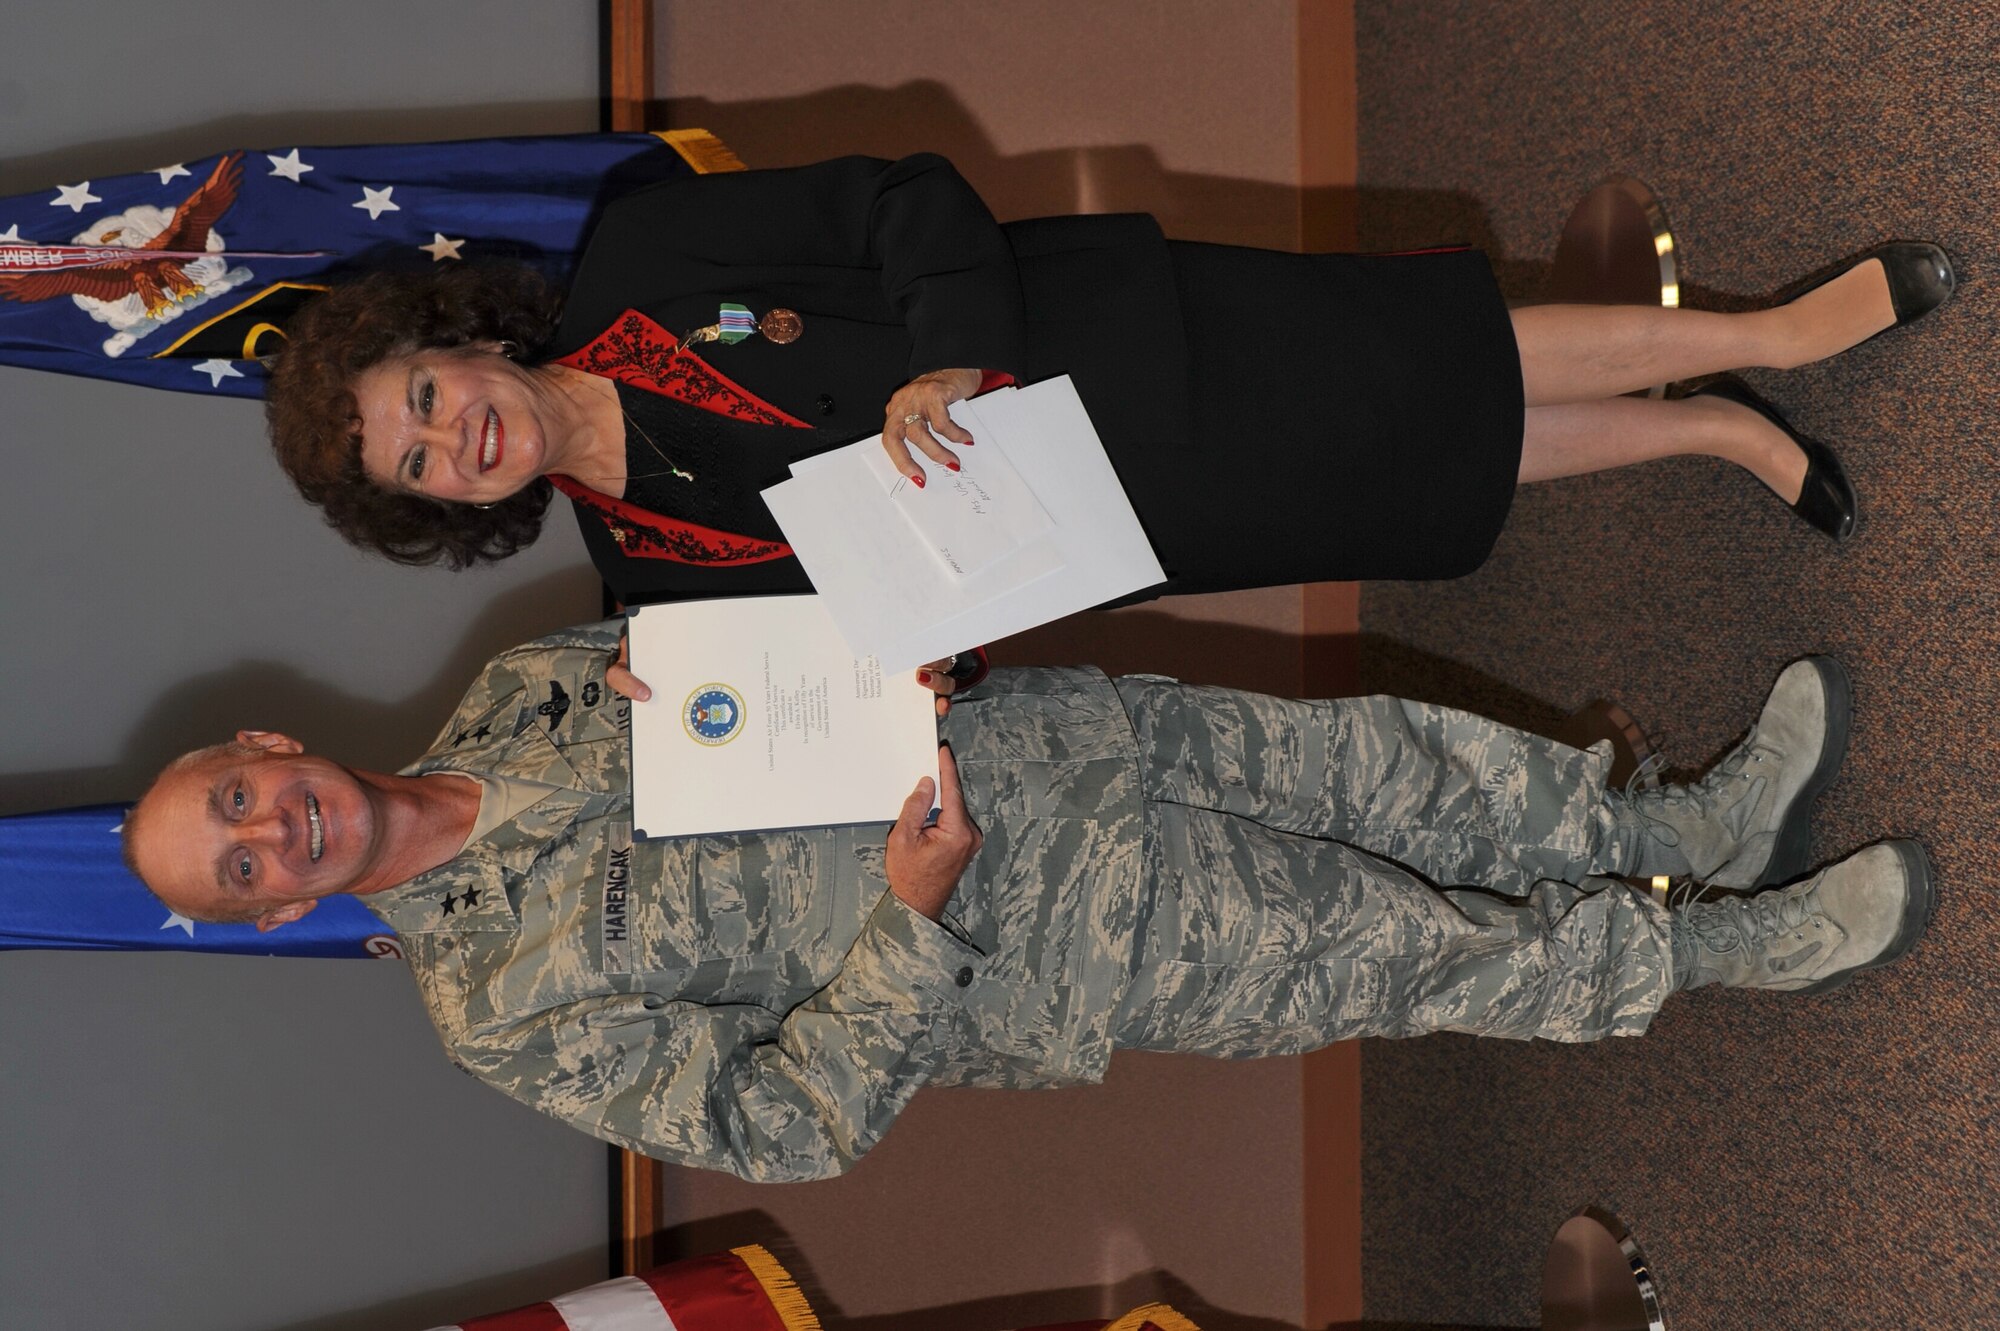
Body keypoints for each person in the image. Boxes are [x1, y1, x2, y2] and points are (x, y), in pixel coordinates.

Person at [123, 626, 1933, 1183]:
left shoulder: (522, 687)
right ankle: (1730, 946)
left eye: (240, 801)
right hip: (1060, 938)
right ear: (273, 918)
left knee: (1407, 765)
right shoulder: (495, 1008)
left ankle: (1692, 822)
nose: (274, 833)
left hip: (1071, 743)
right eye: (244, 868)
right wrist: (908, 921)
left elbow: (775, 654)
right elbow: (777, 1127)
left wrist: (871, 644)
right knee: (1421, 944)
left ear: (265, 745)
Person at [266, 155, 1954, 617]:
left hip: (1120, 345)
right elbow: (890, 649)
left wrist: (947, 354)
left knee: (1446, 360)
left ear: (459, 339)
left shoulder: (644, 250)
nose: (452, 439)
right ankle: (1712, 438)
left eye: (422, 397)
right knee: (1426, 469)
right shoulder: (651, 580)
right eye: (420, 468)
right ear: (448, 510)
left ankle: (1776, 337)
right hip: (1126, 522)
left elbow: (899, 200)